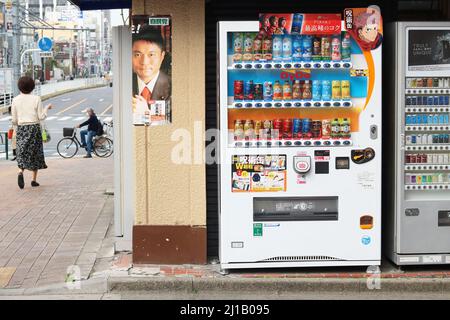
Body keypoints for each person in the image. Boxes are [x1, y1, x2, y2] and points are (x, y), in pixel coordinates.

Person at [11, 76, 52, 189]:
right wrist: (47, 108)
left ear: (19, 87)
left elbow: (14, 120)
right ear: (32, 87)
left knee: (22, 152)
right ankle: (33, 180)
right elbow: (41, 116)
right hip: (34, 128)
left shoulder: (15, 100)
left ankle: (20, 171)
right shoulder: (36, 99)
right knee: (35, 153)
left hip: (21, 129)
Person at [132, 25, 171, 114]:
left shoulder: (173, 87)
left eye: (151, 55)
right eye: (138, 55)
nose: (144, 62)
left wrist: (146, 113)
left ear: (162, 56)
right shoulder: (124, 85)